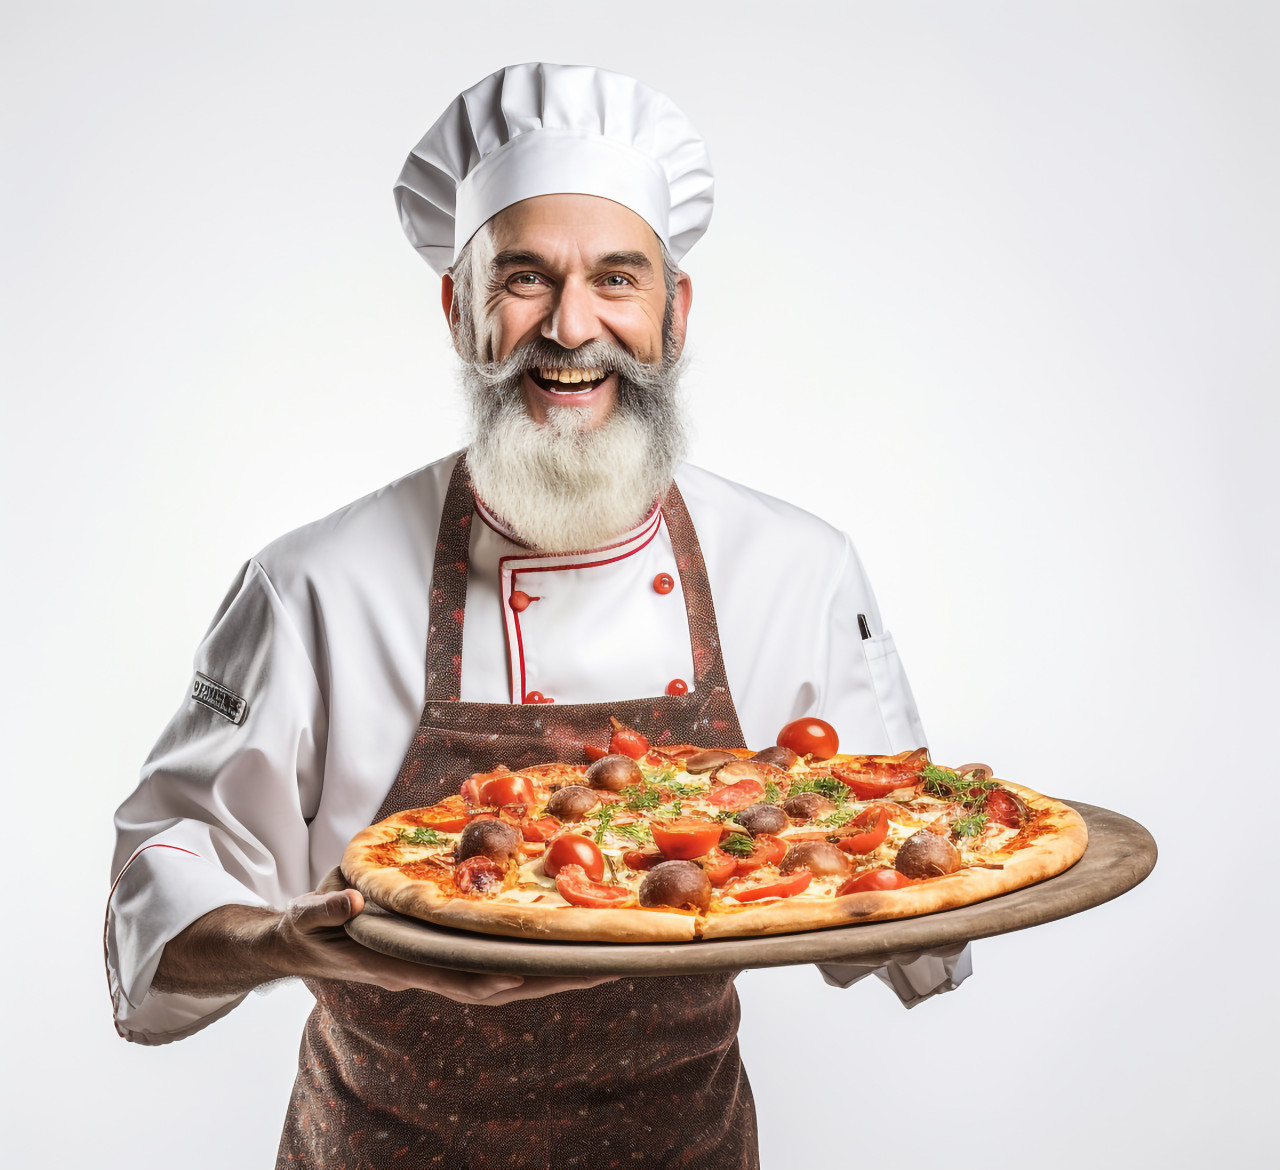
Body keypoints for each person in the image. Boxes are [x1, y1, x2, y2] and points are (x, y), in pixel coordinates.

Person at [106, 63, 969, 1168]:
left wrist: (840, 884)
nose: (572, 327)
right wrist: (295, 943)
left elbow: (915, 885)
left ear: (674, 311)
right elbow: (160, 898)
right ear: (459, 309)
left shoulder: (794, 569)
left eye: (617, 277)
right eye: (523, 277)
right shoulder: (312, 585)